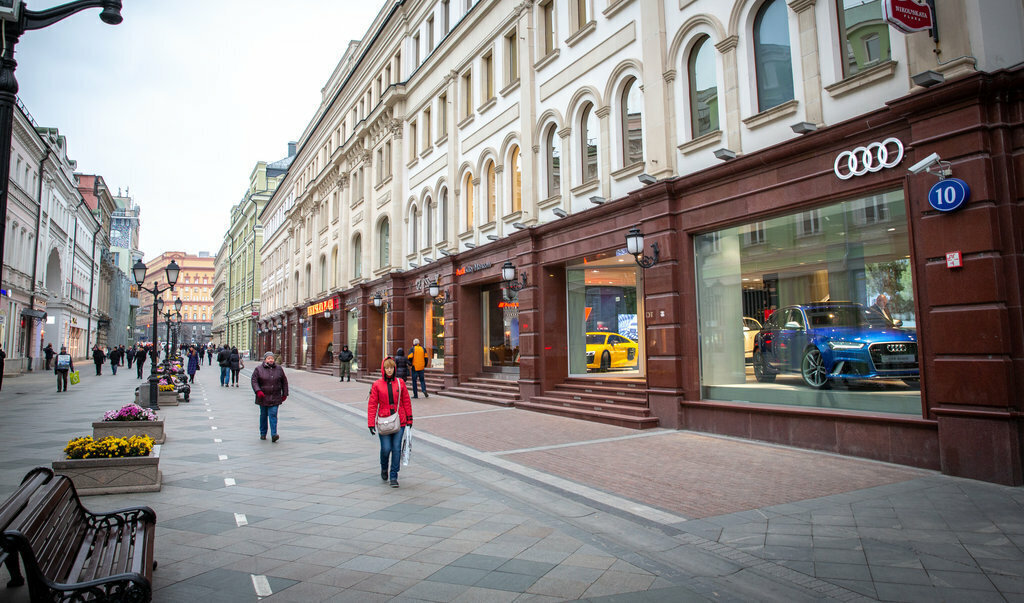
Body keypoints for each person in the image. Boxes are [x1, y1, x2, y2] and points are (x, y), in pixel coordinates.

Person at [367, 357, 413, 488]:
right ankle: (384, 467)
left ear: (394, 369)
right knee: (386, 449)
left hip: (400, 420)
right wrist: (371, 423)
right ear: (383, 369)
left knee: (396, 449)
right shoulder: (377, 385)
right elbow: (372, 405)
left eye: (391, 368)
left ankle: (394, 476)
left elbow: (406, 401)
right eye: (387, 367)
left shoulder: (400, 383)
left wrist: (409, 418)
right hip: (383, 421)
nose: (389, 370)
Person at [252, 351, 288, 442]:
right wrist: (258, 391)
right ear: (265, 360)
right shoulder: (258, 369)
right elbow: (254, 381)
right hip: (263, 397)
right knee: (263, 416)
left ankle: (274, 434)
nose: (271, 360)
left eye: (272, 358)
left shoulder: (279, 369)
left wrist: (285, 394)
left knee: (273, 415)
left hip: (275, 396)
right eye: (269, 358)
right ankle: (263, 433)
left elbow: (284, 381)